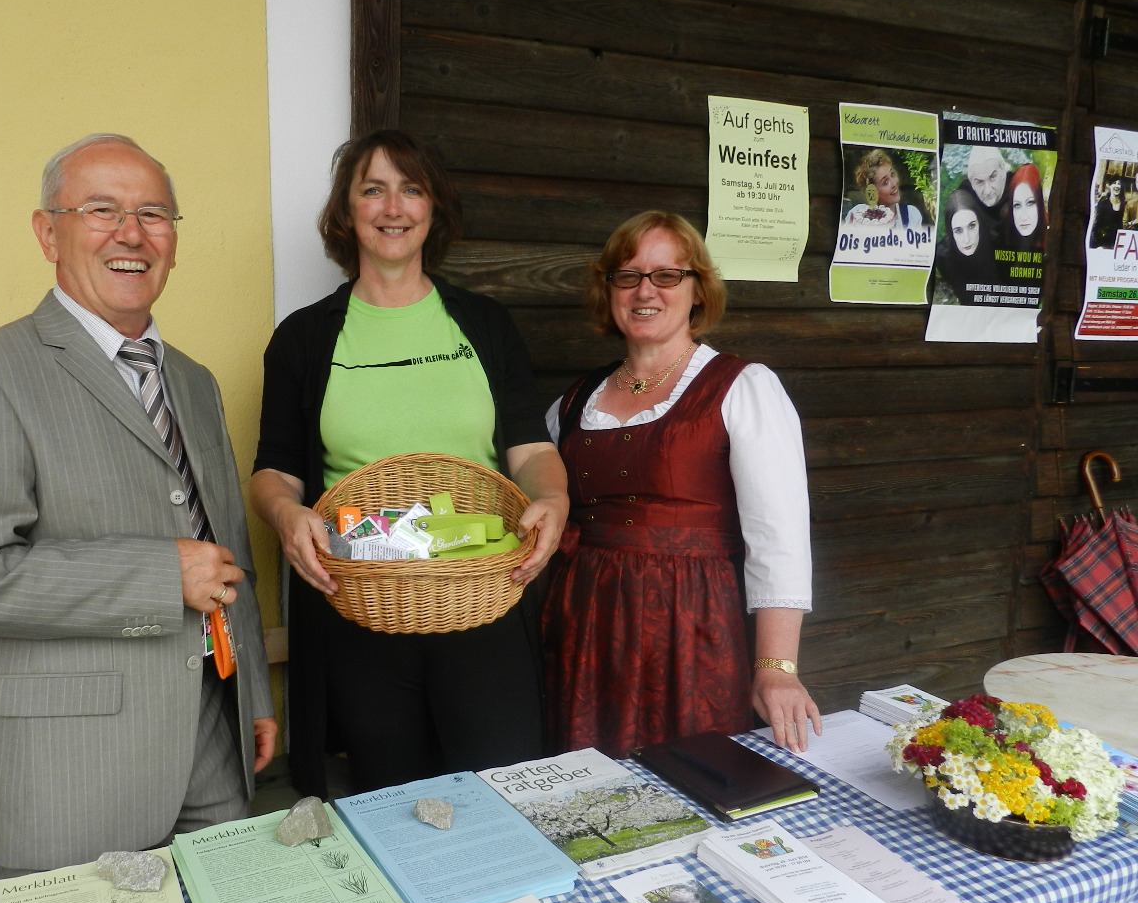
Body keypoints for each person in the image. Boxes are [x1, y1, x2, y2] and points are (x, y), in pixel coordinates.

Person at [0, 133, 275, 879]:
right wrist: (159, 577)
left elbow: (225, 544)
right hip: (74, 766)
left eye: (153, 213)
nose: (131, 234)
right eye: (102, 210)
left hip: (214, 735)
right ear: (49, 232)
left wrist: (254, 694)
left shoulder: (194, 381)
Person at [251, 129, 568, 796]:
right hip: (360, 611)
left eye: (411, 189)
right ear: (346, 211)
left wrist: (553, 498)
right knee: (387, 804)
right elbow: (276, 468)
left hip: (482, 604)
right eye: (373, 189)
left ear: (433, 207)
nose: (393, 207)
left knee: (501, 796)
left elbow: (532, 449)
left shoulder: (484, 325)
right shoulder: (304, 338)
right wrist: (284, 513)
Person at [542, 210, 820, 756]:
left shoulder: (742, 387)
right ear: (609, 290)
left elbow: (779, 536)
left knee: (692, 770)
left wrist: (776, 667)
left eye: (667, 275)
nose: (645, 291)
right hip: (587, 623)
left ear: (698, 290)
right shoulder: (575, 400)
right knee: (590, 777)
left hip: (692, 624)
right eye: (628, 276)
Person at [936, 187, 1000, 300]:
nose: (967, 239)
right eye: (958, 231)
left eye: (971, 226)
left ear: (980, 223)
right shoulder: (943, 256)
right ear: (950, 232)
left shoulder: (998, 244)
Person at [842, 149, 925, 230]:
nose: (894, 184)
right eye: (885, 182)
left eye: (892, 174)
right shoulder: (858, 214)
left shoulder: (911, 215)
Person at [963, 145, 1010, 243]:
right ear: (971, 182)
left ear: (1003, 169)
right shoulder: (965, 196)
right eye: (979, 182)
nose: (987, 191)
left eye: (993, 177)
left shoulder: (1017, 187)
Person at [1004, 163, 1047, 255]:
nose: (1023, 217)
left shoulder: (1051, 239)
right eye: (1017, 205)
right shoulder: (1001, 238)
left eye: (1030, 203)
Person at [1090, 177, 1124, 249]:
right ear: (1109, 186)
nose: (1117, 186)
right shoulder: (1103, 203)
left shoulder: (1124, 205)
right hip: (1103, 243)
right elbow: (1097, 224)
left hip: (1118, 243)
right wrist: (1096, 245)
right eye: (1114, 183)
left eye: (1119, 184)